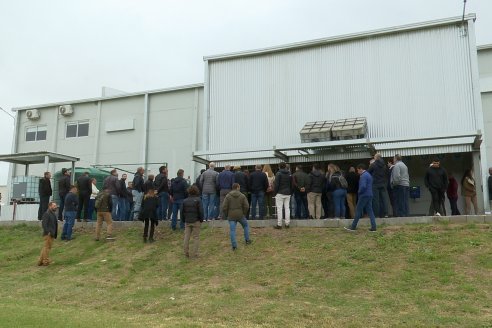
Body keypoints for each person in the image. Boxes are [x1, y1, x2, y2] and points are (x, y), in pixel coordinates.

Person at [344, 164, 377, 232]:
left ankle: (353, 226)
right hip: (369, 194)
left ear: (361, 169)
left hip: (364, 195)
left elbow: (363, 186)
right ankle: (374, 227)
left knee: (358, 210)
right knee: (370, 211)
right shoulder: (368, 175)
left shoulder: (363, 176)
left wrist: (359, 192)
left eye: (358, 170)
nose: (357, 171)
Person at [223, 183, 251, 251]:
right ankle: (247, 240)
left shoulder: (228, 196)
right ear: (238, 187)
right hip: (240, 215)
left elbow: (224, 207)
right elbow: (246, 206)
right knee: (245, 226)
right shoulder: (242, 196)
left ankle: (234, 246)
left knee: (232, 230)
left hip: (231, 216)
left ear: (232, 188)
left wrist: (227, 215)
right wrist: (243, 213)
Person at [182, 185, 204, 258]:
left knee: (186, 237)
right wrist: (201, 219)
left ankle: (186, 252)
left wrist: (183, 220)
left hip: (187, 221)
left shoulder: (185, 201)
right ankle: (195, 254)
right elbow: (201, 211)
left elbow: (182, 212)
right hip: (196, 220)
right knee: (196, 237)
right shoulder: (198, 200)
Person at [367, 153, 388, 218]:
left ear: (376, 158)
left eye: (374, 157)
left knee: (376, 200)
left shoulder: (373, 165)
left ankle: (376, 214)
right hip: (383, 184)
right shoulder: (384, 165)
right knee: (384, 199)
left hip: (375, 184)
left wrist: (370, 165)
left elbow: (368, 173)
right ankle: (385, 214)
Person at [38, 201, 58, 266]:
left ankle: (40, 261)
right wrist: (48, 232)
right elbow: (44, 224)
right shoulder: (47, 214)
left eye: (56, 206)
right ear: (50, 206)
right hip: (48, 234)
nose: (56, 207)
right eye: (54, 206)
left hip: (51, 234)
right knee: (47, 248)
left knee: (45, 247)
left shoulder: (52, 214)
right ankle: (45, 261)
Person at [274, 162, 293, 229]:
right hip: (288, 193)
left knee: (279, 209)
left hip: (280, 193)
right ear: (285, 166)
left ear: (279, 166)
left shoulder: (278, 174)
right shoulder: (289, 174)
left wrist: (275, 193)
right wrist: (291, 192)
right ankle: (287, 224)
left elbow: (276, 185)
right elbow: (291, 184)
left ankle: (279, 224)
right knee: (287, 208)